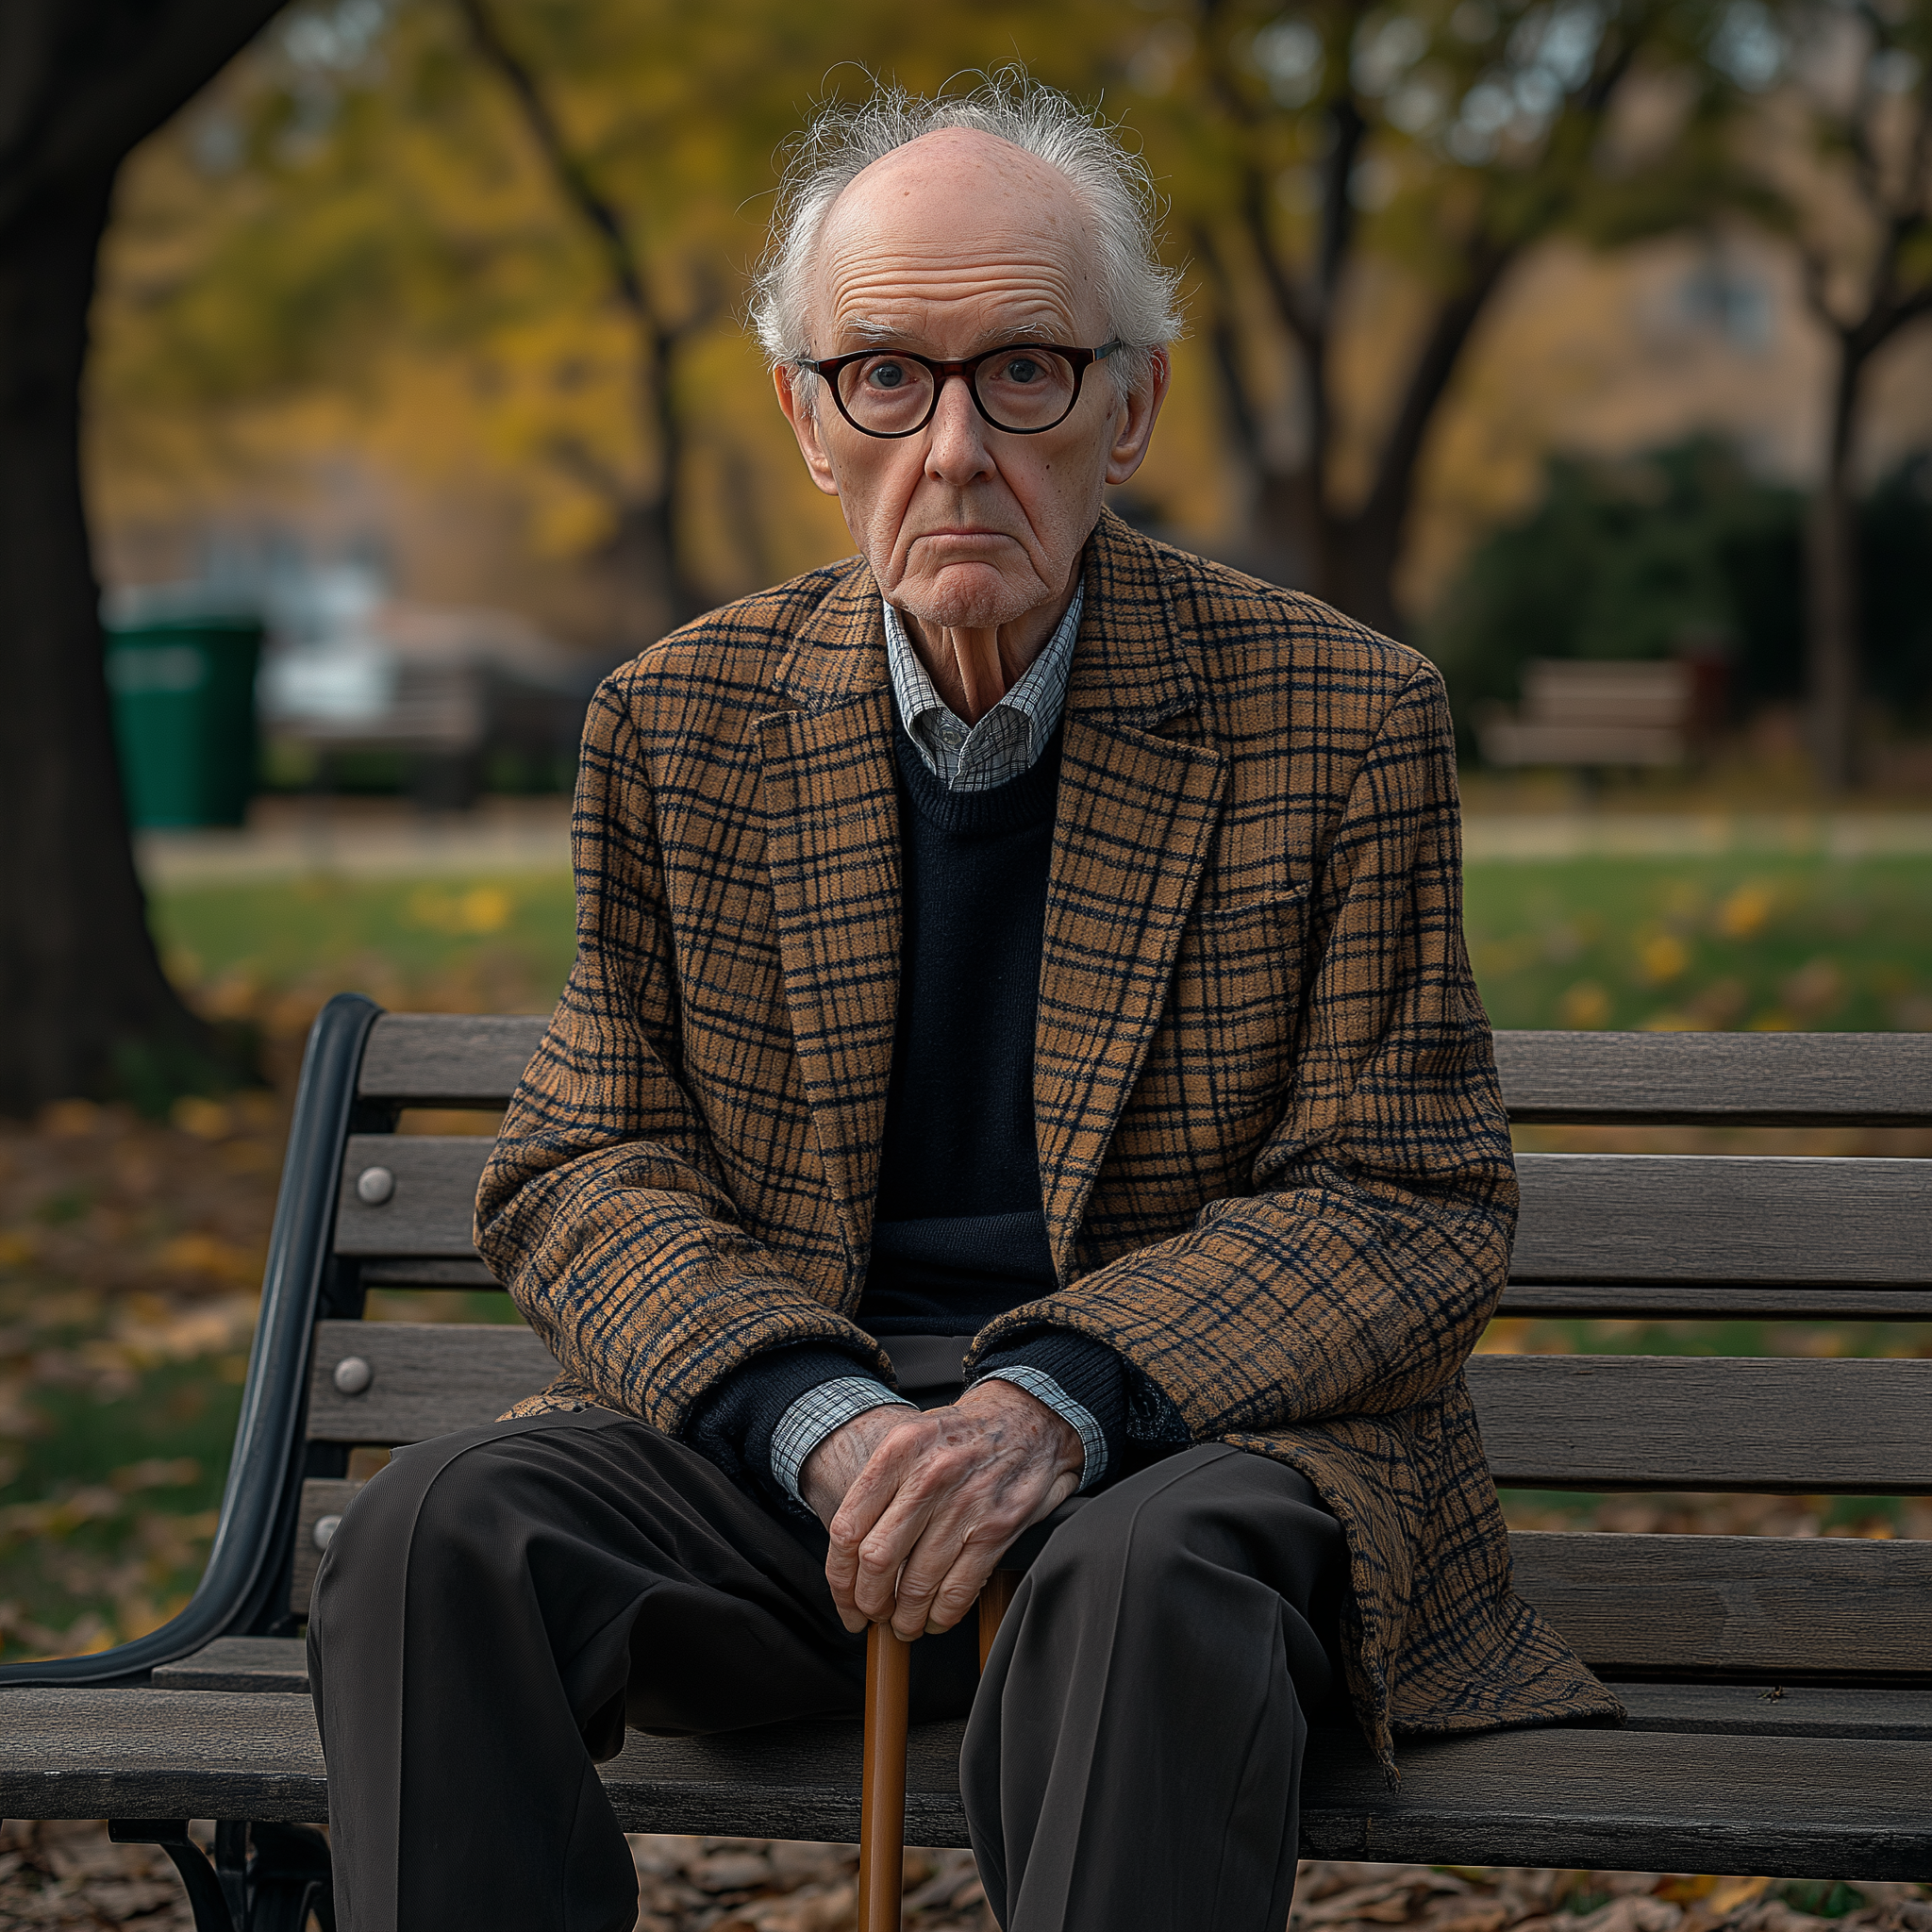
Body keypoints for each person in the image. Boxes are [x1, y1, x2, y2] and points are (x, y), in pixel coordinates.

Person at [308, 74, 1617, 1932]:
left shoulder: (1337, 717)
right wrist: (812, 1411)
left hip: (1182, 1462)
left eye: (1025, 372)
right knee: (437, 1533)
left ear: (1131, 403)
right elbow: (580, 1166)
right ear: (804, 416)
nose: (953, 445)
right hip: (796, 1469)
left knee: (1134, 1581)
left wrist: (1054, 1403)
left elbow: (1400, 1202)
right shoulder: (676, 723)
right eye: (886, 376)